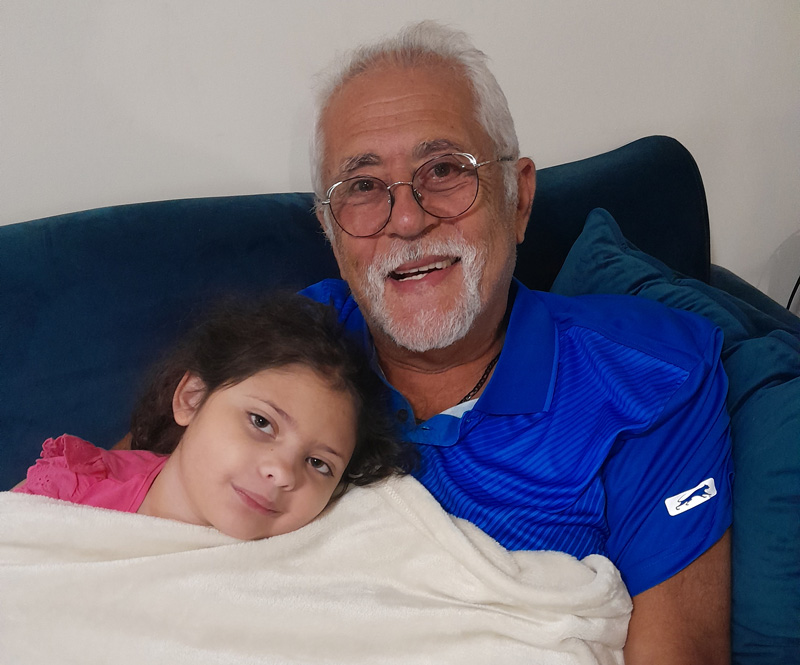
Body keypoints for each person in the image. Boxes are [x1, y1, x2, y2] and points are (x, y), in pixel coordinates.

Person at [303, 20, 733, 663]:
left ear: (519, 198)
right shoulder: (284, 349)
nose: (409, 219)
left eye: (444, 169)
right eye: (363, 187)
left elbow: (680, 651)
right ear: (331, 232)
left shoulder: (650, 376)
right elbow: (151, 532)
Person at [14, 294, 412, 540]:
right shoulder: (71, 491)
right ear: (191, 398)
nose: (283, 473)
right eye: (261, 422)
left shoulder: (307, 555)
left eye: (318, 463)